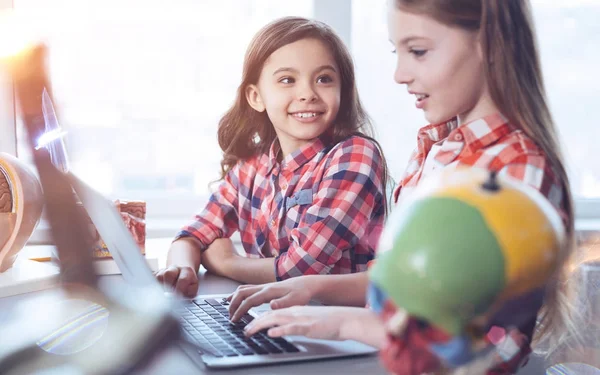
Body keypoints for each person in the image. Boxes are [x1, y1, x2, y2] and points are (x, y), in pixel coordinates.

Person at [231, 1, 577, 373]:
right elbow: (410, 284)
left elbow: (495, 347)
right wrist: (314, 289)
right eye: (398, 52)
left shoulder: (518, 169)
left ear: (489, 44)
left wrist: (348, 324)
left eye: (418, 51)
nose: (399, 74)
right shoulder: (438, 147)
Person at [155, 16, 388, 298]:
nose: (308, 94)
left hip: (338, 327)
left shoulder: (354, 156)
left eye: (324, 79)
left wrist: (229, 263)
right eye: (287, 80)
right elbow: (195, 233)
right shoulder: (253, 165)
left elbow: (303, 269)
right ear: (256, 97)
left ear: (342, 89)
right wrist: (183, 269)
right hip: (275, 316)